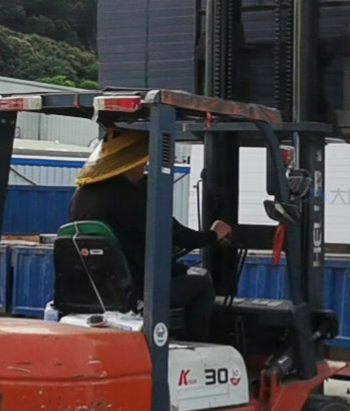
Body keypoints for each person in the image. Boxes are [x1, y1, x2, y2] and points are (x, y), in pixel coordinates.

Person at [68, 128, 231, 341]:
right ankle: (198, 345)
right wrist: (214, 234)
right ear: (132, 163)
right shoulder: (132, 198)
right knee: (201, 283)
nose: (144, 168)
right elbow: (183, 237)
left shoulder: (80, 197)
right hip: (134, 291)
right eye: (143, 162)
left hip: (92, 290)